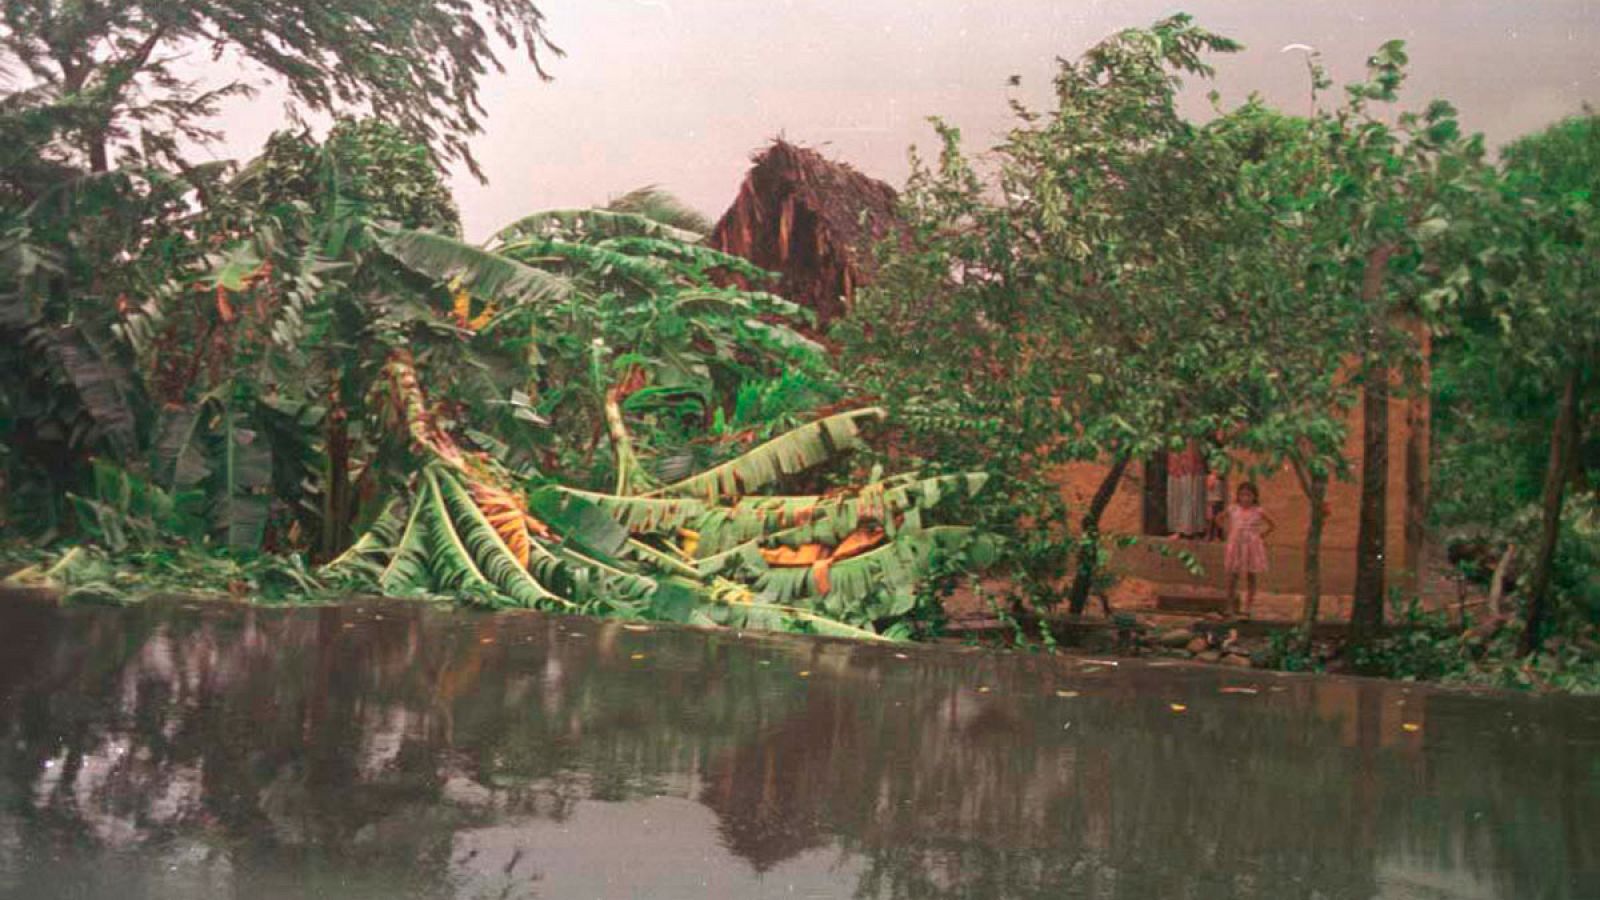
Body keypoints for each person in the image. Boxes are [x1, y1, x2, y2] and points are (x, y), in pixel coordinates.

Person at [1216, 482, 1274, 618]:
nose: (1246, 498)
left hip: (1251, 546)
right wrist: (1230, 532)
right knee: (1233, 575)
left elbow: (1271, 525)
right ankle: (1230, 607)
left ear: (1255, 496)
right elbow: (1218, 519)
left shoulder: (1258, 511)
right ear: (1238, 496)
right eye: (1242, 495)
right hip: (1236, 545)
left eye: (1249, 495)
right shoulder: (1233, 509)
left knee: (1251, 575)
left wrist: (1259, 536)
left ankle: (1248, 607)